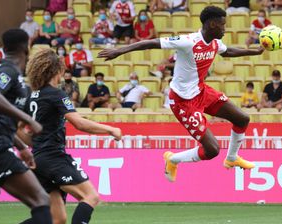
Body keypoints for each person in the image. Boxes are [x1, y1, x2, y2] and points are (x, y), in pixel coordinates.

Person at [99, 6, 264, 182]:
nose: (225, 28)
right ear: (212, 24)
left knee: (242, 119)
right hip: (183, 102)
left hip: (201, 91)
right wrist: (119, 50)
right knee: (212, 150)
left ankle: (232, 159)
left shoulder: (215, 42)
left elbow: (229, 51)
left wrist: (254, 51)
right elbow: (152, 42)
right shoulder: (188, 41)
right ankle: (172, 159)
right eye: (222, 25)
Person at [0, 48, 121, 224]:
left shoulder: (32, 97)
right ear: (58, 70)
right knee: (91, 197)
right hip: (54, 158)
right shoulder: (57, 94)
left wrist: (36, 142)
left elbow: (18, 130)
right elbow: (79, 123)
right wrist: (110, 129)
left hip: (39, 160)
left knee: (56, 220)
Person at [0, 29, 53, 224]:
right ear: (25, 46)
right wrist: (28, 120)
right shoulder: (7, 71)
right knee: (40, 199)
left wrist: (20, 147)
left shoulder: (15, 77)